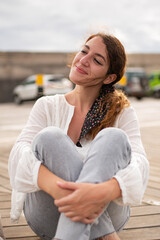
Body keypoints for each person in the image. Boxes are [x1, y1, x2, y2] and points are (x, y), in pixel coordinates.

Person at [8, 32, 149, 240]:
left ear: (109, 77)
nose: (83, 60)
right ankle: (106, 235)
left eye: (96, 60)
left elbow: (140, 164)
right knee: (50, 138)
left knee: (113, 138)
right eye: (84, 51)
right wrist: (62, 191)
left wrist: (103, 192)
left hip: (108, 210)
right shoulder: (47, 106)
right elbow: (17, 156)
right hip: (50, 212)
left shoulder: (122, 112)